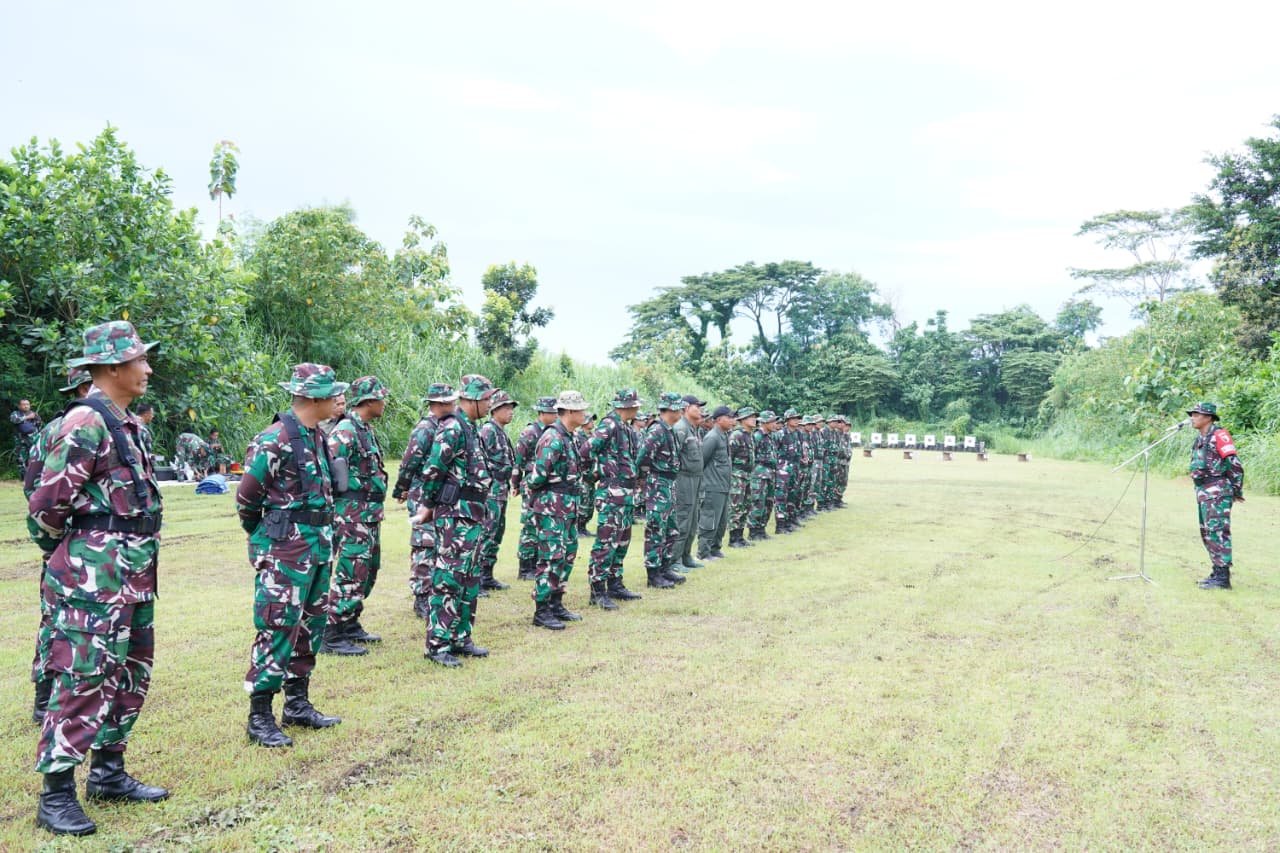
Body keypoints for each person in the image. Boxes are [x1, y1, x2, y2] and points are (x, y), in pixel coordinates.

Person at [28, 321, 166, 836]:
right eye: (139, 361)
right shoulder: (84, 421)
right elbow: (45, 507)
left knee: (130, 672)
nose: (147, 369)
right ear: (112, 367)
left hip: (133, 575)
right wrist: (69, 562)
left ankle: (108, 774)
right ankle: (57, 794)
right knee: (83, 675)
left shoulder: (127, 423)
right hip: (93, 579)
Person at [237, 363, 348, 749]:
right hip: (285, 549)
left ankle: (297, 703)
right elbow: (247, 498)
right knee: (278, 626)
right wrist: (266, 537)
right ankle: (260, 715)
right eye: (333, 394)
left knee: (311, 626)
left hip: (317, 547)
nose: (339, 400)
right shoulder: (275, 438)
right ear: (313, 397)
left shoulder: (317, 436)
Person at [23, 367, 94, 728]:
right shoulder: (61, 428)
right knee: (54, 617)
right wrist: (53, 545)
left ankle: (76, 686)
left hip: (91, 544)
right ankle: (43, 695)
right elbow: (36, 490)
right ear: (84, 386)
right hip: (65, 540)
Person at [415, 374, 494, 667]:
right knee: (448, 579)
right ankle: (437, 645)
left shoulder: (470, 428)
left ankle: (461, 636)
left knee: (469, 579)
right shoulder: (452, 427)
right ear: (471, 399)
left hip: (473, 512)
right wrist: (427, 505)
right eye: (486, 399)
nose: (489, 403)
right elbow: (433, 469)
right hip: (455, 514)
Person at [320, 375, 389, 656]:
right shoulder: (346, 431)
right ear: (369, 401)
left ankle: (350, 623)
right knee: (351, 571)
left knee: (367, 570)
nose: (384, 403)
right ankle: (331, 632)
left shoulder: (364, 429)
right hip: (352, 515)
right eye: (381, 398)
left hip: (368, 513)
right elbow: (329, 473)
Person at [526, 390, 591, 629]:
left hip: (567, 507)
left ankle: (556, 603)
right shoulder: (552, 437)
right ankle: (542, 610)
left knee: (567, 555)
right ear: (570, 411)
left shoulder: (569, 436)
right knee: (551, 557)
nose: (585, 414)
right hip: (552, 507)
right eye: (581, 409)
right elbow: (537, 476)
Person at [393, 384, 458, 619]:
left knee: (440, 542)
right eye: (450, 402)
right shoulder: (426, 428)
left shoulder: (447, 426)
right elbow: (410, 461)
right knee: (425, 543)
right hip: (422, 493)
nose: (454, 406)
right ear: (438, 405)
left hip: (440, 495)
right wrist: (402, 488)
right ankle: (421, 596)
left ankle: (434, 592)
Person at [586, 388, 645, 610]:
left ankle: (615, 583)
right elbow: (588, 449)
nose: (638, 409)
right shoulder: (609, 424)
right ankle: (597, 589)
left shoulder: (625, 428)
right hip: (612, 491)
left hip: (626, 492)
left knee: (622, 540)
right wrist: (596, 473)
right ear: (627, 405)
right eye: (635, 405)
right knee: (606, 541)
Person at [1187, 402, 1244, 590]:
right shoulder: (1201, 438)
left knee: (1218, 531)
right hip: (1204, 491)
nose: (1193, 418)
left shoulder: (1219, 435)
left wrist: (1236, 490)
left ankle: (1223, 578)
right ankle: (1216, 571)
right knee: (1207, 532)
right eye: (1193, 414)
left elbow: (1234, 463)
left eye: (1197, 414)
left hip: (1218, 490)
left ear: (1208, 417)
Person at [640, 393, 686, 588]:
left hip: (669, 484)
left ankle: (665, 567)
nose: (682, 412)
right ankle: (653, 573)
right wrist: (646, 481)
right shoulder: (657, 431)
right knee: (656, 528)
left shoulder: (670, 430)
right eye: (679, 408)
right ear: (671, 409)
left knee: (671, 528)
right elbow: (643, 458)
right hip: (658, 483)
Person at [511, 397, 558, 580]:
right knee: (530, 526)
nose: (555, 415)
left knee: (542, 525)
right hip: (531, 484)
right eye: (551, 412)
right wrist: (515, 484)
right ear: (541, 413)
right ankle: (525, 568)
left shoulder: (553, 431)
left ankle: (537, 561)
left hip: (546, 484)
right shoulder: (531, 431)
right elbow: (519, 461)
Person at [477, 389, 519, 593]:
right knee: (487, 533)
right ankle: (477, 578)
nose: (511, 411)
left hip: (501, 489)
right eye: (506, 408)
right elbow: (480, 461)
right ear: (495, 410)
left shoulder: (500, 431)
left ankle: (487, 575)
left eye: (511, 408)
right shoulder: (488, 431)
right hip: (491, 490)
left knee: (496, 533)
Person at [696, 404, 735, 560]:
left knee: (721, 521)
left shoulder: (723, 435)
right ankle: (703, 552)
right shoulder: (712, 437)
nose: (733, 421)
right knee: (709, 520)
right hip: (712, 486)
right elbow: (701, 461)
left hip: (723, 486)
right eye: (730, 417)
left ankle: (715, 548)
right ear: (719, 420)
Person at [672, 394, 706, 570]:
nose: (700, 409)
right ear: (685, 407)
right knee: (682, 519)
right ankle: (674, 560)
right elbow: (673, 455)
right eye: (696, 406)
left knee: (693, 520)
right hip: (683, 479)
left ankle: (686, 556)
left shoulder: (694, 429)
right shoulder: (681, 428)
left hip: (695, 479)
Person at [727, 407, 757, 548]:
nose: (754, 419)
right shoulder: (737, 435)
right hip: (737, 475)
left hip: (747, 475)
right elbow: (729, 457)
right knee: (736, 506)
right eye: (751, 417)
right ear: (743, 420)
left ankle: (740, 536)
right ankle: (733, 538)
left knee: (746, 505)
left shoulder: (749, 435)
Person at [748, 410, 780, 541]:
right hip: (759, 474)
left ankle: (762, 528)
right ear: (765, 423)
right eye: (772, 422)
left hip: (770, 473)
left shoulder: (771, 436)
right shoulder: (757, 436)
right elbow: (752, 455)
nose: (775, 424)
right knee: (758, 501)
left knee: (768, 501)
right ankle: (753, 531)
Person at [575, 412, 598, 536]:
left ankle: (583, 527)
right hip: (582, 475)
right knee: (582, 501)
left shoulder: (594, 437)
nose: (592, 423)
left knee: (590, 503)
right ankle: (578, 528)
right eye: (590, 420)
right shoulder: (578, 436)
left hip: (592, 475)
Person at [10, 398, 44, 472]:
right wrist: (27, 417)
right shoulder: (15, 413)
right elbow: (14, 420)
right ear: (19, 406)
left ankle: (33, 476)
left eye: (27, 404)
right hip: (20, 441)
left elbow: (40, 425)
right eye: (24, 404)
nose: (26, 406)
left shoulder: (34, 414)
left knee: (33, 458)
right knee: (20, 459)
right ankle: (23, 476)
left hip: (33, 440)